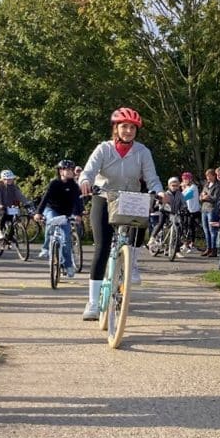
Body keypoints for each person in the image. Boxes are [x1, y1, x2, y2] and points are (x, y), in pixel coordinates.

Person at [78, 107, 163, 320]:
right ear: (116, 128)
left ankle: (131, 265)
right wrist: (85, 181)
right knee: (102, 247)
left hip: (130, 198)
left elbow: (151, 178)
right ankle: (93, 302)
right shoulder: (103, 149)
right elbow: (88, 171)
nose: (128, 131)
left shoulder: (142, 152)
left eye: (132, 127)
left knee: (139, 227)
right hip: (104, 197)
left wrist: (159, 191)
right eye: (124, 126)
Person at [34, 160, 83, 278]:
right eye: (68, 169)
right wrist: (38, 213)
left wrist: (78, 214)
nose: (71, 172)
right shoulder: (54, 183)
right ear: (61, 171)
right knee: (50, 222)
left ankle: (68, 265)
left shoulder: (74, 186)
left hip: (65, 213)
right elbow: (45, 198)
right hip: (51, 209)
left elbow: (77, 201)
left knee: (66, 240)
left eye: (72, 170)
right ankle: (45, 248)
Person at [0, 169, 28, 239]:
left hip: (9, 207)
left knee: (13, 218)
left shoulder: (14, 186)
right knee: (4, 214)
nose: (10, 180)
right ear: (3, 179)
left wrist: (27, 202)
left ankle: (11, 235)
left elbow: (19, 195)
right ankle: (0, 231)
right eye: (7, 179)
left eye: (11, 179)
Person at [199, 168, 220, 257]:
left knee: (212, 230)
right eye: (206, 176)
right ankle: (208, 248)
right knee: (206, 230)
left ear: (213, 176)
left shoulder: (217, 185)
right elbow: (201, 195)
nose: (207, 178)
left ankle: (214, 249)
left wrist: (206, 197)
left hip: (212, 210)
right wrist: (202, 197)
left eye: (209, 176)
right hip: (204, 209)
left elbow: (215, 198)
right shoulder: (206, 185)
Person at [180, 171, 201, 254]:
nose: (184, 181)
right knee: (186, 226)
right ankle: (187, 243)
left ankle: (191, 244)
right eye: (183, 179)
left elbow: (186, 197)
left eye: (186, 179)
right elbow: (181, 196)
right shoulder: (187, 188)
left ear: (190, 179)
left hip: (193, 210)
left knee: (190, 227)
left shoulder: (193, 187)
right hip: (187, 210)